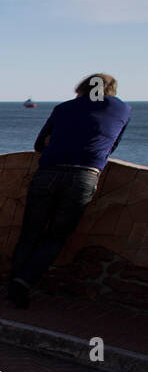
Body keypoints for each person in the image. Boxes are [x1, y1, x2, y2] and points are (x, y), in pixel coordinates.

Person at [7, 73, 131, 308]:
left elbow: (38, 145)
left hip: (48, 172)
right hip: (84, 176)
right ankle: (23, 283)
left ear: (82, 88)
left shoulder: (64, 108)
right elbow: (112, 145)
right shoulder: (123, 110)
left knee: (30, 232)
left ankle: (14, 279)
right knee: (56, 236)